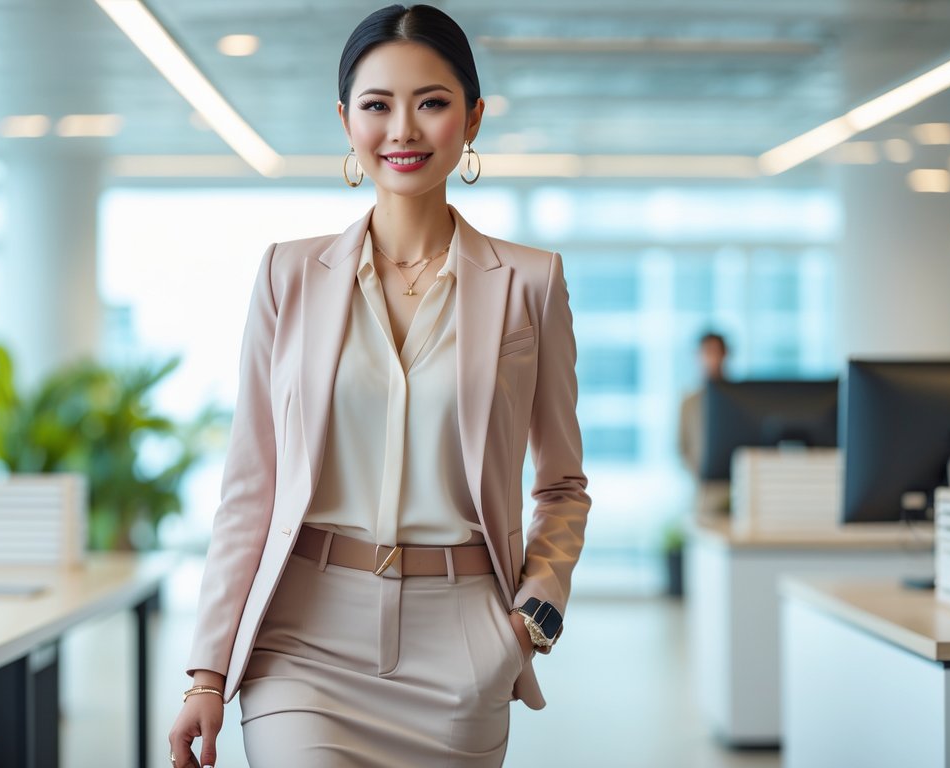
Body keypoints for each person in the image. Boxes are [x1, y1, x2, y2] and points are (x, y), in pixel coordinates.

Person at [168, 6, 591, 766]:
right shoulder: (288, 274)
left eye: (431, 103)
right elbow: (251, 486)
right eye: (376, 105)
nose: (402, 129)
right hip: (302, 640)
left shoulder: (529, 283)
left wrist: (530, 620)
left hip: (462, 644)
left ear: (473, 118)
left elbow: (561, 485)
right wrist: (208, 673)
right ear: (345, 120)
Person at [678, 331, 728, 478]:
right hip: (703, 483)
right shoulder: (689, 402)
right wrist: (700, 472)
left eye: (715, 352)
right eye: (707, 352)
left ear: (724, 355)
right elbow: (682, 447)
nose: (711, 359)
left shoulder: (740, 398)